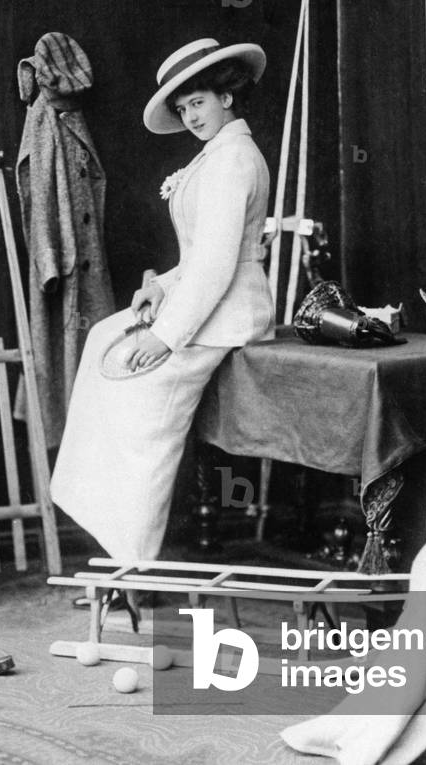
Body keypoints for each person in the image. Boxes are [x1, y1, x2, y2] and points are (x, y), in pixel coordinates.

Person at [50, 37, 275, 563]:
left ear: (227, 97)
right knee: (105, 335)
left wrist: (163, 336)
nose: (191, 116)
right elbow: (200, 258)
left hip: (227, 316)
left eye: (198, 102)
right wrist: (161, 287)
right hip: (206, 302)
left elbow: (220, 266)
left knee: (135, 402)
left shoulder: (233, 159)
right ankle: (111, 540)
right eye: (183, 108)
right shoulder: (216, 155)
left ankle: (133, 558)